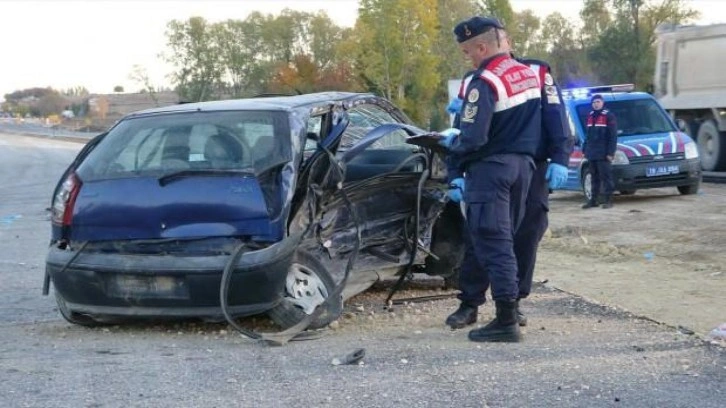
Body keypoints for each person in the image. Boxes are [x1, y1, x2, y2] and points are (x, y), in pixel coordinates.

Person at [445, 30, 572, 329]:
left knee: (525, 234)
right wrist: (455, 174)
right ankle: (470, 301)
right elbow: (460, 127)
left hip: (533, 165)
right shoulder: (475, 77)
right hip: (493, 165)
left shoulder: (537, 70)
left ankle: (512, 304)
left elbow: (557, 116)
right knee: (482, 234)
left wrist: (561, 158)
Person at [439, 16, 542, 343]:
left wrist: (448, 144)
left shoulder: (484, 81)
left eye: (468, 51)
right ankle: (501, 311)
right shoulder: (526, 73)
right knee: (505, 241)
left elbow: (473, 137)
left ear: (482, 46)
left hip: (490, 171)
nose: (467, 58)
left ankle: (505, 320)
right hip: (522, 168)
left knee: (492, 244)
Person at [582, 94, 618, 209]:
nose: (595, 104)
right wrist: (585, 150)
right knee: (594, 178)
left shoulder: (608, 116)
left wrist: (610, 153)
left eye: (598, 102)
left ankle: (608, 200)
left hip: (603, 154)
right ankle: (593, 200)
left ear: (602, 103)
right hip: (592, 153)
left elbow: (613, 136)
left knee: (606, 177)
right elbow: (588, 136)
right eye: (593, 102)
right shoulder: (590, 116)